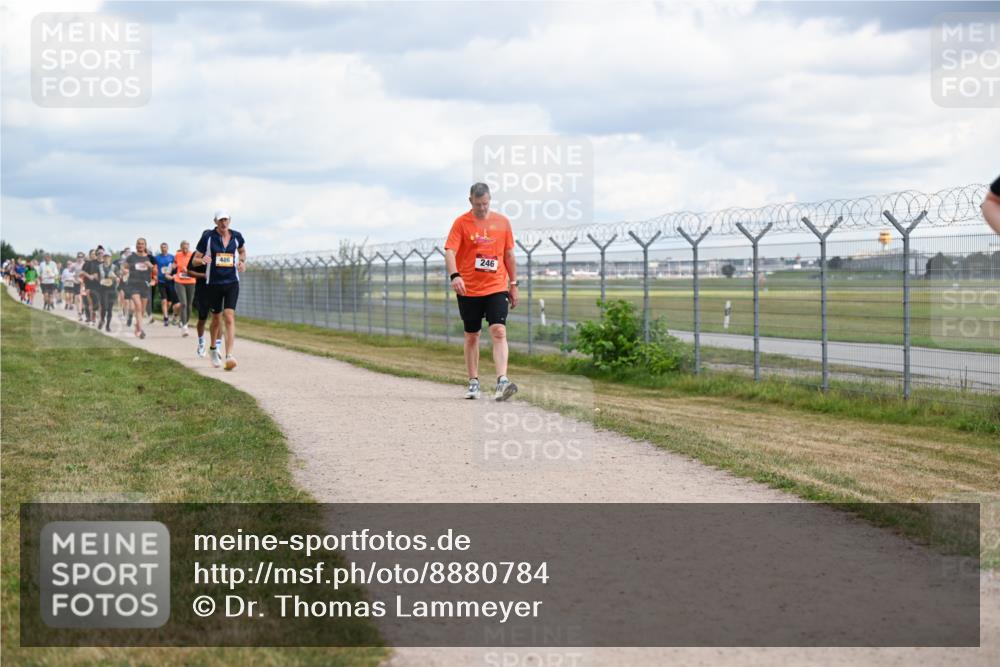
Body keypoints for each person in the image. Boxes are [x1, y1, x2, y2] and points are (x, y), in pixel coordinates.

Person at [444, 182, 520, 401]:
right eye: (478, 205)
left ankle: (502, 381)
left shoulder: (502, 222)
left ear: (490, 200)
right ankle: (474, 382)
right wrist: (455, 275)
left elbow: (509, 256)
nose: (482, 208)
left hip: (496, 285)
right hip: (468, 288)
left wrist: (513, 284)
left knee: (498, 330)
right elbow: (450, 252)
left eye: (485, 204)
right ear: (470, 201)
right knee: (472, 335)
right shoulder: (461, 223)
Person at [193, 209, 245, 370]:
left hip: (231, 282)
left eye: (226, 220)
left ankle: (229, 355)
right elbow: (195, 260)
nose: (223, 223)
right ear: (215, 222)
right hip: (214, 283)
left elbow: (242, 251)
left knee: (229, 316)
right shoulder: (208, 237)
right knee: (216, 319)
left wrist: (242, 261)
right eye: (220, 220)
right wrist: (202, 260)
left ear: (229, 221)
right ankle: (213, 349)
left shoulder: (236, 236)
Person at [122, 238, 155, 339]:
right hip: (133, 285)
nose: (140, 245)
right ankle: (140, 330)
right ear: (136, 246)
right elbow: (124, 267)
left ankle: (137, 327)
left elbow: (156, 271)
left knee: (142, 310)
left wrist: (151, 267)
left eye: (142, 244)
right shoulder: (131, 257)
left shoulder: (150, 258)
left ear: (145, 245)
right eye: (138, 244)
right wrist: (125, 272)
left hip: (145, 285)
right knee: (138, 306)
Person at [173, 240, 196, 337]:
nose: (185, 249)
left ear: (189, 247)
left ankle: (184, 322)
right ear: (181, 247)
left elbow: (197, 267)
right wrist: (172, 268)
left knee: (189, 304)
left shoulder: (193, 255)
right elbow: (174, 264)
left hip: (191, 281)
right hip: (179, 281)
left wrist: (189, 270)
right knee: (184, 303)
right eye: (183, 247)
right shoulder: (177, 255)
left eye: (187, 247)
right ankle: (184, 327)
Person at [154, 242, 179, 327]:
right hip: (161, 282)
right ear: (160, 248)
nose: (163, 248)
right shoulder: (157, 258)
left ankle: (167, 314)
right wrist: (154, 276)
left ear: (167, 248)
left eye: (165, 247)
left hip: (170, 282)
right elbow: (153, 267)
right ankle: (165, 318)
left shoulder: (172, 257)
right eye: (162, 247)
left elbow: (176, 266)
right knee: (164, 300)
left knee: (169, 303)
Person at [95, 252, 120, 332]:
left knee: (109, 309)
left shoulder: (115, 267)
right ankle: (102, 320)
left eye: (108, 257)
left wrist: (115, 277)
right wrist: (99, 279)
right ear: (103, 258)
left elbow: (118, 278)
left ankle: (108, 326)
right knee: (104, 307)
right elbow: (96, 277)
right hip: (102, 289)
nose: (106, 258)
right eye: (105, 257)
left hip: (112, 290)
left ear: (110, 258)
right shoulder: (99, 267)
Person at [80, 250, 101, 325]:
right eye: (92, 254)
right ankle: (92, 318)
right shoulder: (88, 263)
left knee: (98, 302)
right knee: (90, 302)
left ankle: (98, 316)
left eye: (95, 254)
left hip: (98, 285)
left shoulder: (100, 263)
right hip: (89, 285)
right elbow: (81, 272)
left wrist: (97, 276)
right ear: (89, 255)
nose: (94, 255)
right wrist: (89, 276)